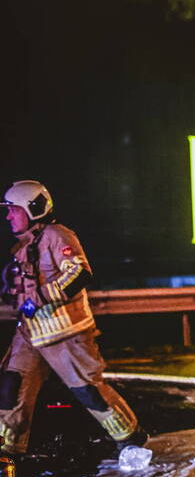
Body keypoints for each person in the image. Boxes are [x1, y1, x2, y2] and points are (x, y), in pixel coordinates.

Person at [0, 180, 145, 458]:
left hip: (65, 334)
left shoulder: (58, 235)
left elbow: (79, 273)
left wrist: (39, 297)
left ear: (33, 209)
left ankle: (131, 441)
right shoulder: (21, 249)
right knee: (11, 388)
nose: (8, 216)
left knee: (88, 392)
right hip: (31, 333)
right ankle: (7, 451)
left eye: (13, 210)